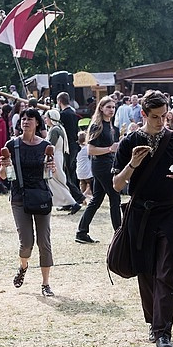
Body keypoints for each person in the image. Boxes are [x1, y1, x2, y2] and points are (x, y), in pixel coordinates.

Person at [113, 90, 173, 347]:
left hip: (171, 213)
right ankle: (153, 322)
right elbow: (116, 184)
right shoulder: (130, 142)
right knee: (146, 273)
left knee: (166, 273)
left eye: (165, 115)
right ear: (144, 115)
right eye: (156, 117)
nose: (162, 121)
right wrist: (133, 165)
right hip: (141, 215)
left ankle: (163, 332)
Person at [0, 108, 57, 297]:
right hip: (19, 197)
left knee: (44, 241)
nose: (25, 122)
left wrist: (51, 167)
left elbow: (51, 173)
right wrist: (4, 166)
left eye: (30, 119)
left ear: (37, 122)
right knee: (26, 243)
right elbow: (2, 176)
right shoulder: (12, 145)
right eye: (23, 119)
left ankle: (45, 284)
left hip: (41, 195)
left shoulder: (46, 145)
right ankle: (23, 267)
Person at [76, 95, 120, 244]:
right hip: (102, 166)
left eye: (113, 107)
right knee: (115, 196)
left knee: (97, 199)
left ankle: (81, 232)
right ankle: (119, 233)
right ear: (101, 108)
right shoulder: (97, 126)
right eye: (108, 107)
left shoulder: (111, 126)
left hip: (107, 164)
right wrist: (110, 149)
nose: (111, 110)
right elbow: (91, 150)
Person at [43, 109, 82, 214]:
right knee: (60, 181)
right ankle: (66, 203)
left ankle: (73, 203)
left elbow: (50, 146)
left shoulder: (55, 130)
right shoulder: (58, 128)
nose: (45, 120)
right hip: (58, 157)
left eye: (46, 118)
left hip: (54, 157)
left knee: (55, 181)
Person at [75, 130, 93, 197]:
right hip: (87, 170)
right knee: (90, 183)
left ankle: (83, 197)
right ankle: (84, 195)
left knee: (82, 184)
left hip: (79, 171)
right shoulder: (87, 148)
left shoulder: (77, 149)